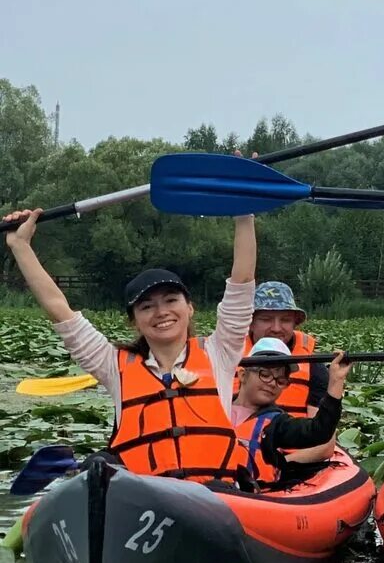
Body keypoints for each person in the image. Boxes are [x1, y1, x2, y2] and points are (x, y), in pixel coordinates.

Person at [3, 207, 257, 485]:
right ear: (134, 322)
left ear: (190, 308)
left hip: (216, 498)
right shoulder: (112, 365)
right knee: (99, 465)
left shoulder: (219, 352)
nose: (161, 312)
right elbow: (59, 310)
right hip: (146, 503)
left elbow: (241, 283)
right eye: (147, 306)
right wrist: (20, 245)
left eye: (171, 301)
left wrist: (243, 214)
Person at [236, 338, 351, 484]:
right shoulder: (218, 407)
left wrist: (336, 381)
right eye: (264, 375)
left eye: (281, 380)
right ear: (242, 375)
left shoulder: (277, 424)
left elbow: (319, 430)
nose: (272, 383)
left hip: (250, 498)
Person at [234, 280, 331, 419]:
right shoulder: (227, 358)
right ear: (250, 323)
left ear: (294, 324)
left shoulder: (314, 368)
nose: (276, 328)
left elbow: (322, 434)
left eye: (285, 320)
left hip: (290, 438)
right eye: (266, 319)